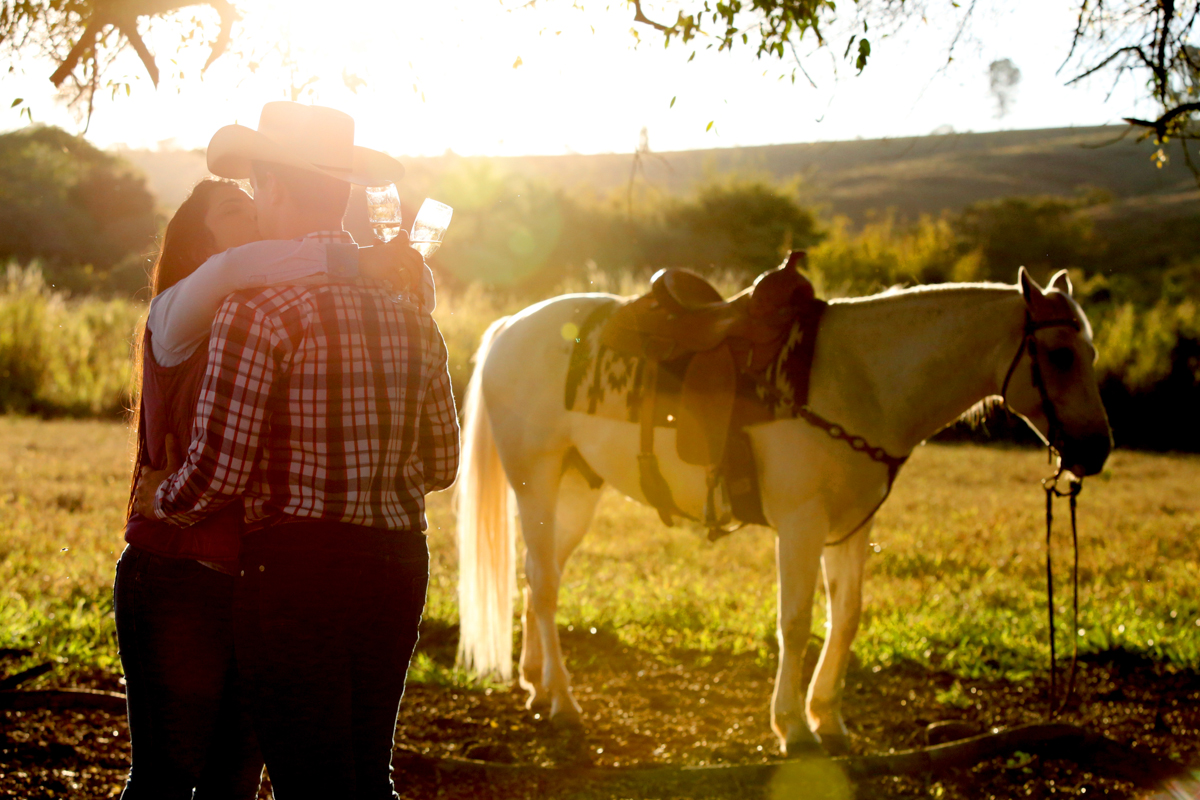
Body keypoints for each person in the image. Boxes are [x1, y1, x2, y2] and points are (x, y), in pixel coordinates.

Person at [133, 101, 461, 799]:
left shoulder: (260, 310)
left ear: (275, 188)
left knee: (311, 779)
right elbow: (441, 466)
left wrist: (162, 496)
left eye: (256, 187)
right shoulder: (411, 312)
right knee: (369, 772)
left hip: (294, 572)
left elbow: (219, 474)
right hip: (399, 563)